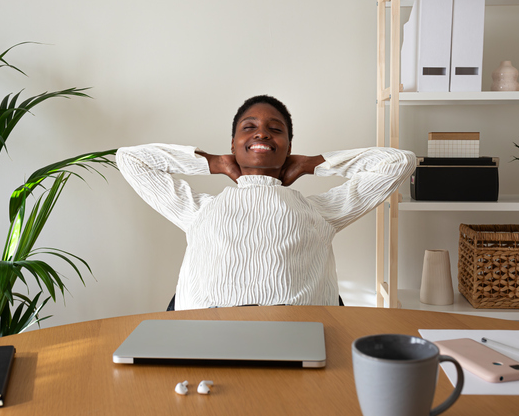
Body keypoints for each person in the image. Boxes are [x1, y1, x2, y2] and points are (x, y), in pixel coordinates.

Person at [117, 95, 416, 310]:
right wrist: (212, 162)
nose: (262, 132)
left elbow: (399, 162)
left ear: (288, 148)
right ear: (233, 145)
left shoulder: (320, 211)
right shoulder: (198, 211)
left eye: (276, 129)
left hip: (295, 335)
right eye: (249, 127)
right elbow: (129, 159)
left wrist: (313, 164)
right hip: (205, 334)